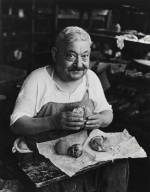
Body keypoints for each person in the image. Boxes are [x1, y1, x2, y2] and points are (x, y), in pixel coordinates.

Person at [10, 26, 128, 192]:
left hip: (79, 151)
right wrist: (53, 121)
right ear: (55, 54)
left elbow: (108, 114)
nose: (79, 64)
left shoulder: (91, 79)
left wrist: (100, 119)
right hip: (41, 154)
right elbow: (16, 124)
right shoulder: (38, 79)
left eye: (85, 56)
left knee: (118, 166)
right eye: (70, 56)